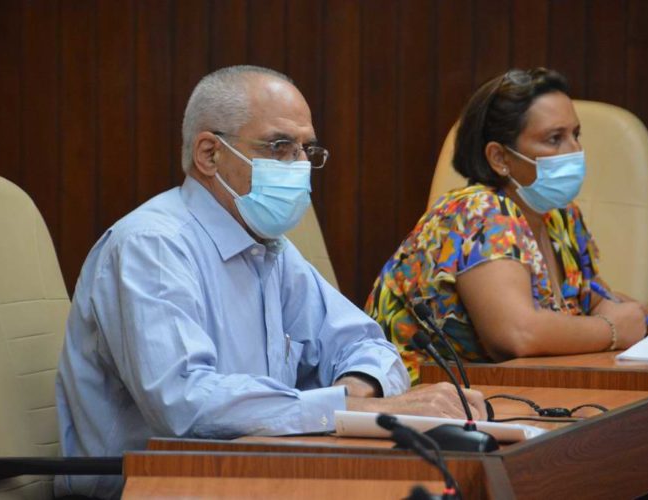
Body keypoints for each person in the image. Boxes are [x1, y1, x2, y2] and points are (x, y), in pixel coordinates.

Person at [55, 65, 485, 499]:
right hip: (152, 487)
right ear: (209, 154)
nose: (300, 166)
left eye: (306, 150)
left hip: (252, 473)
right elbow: (186, 403)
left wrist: (357, 391)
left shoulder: (270, 248)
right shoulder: (151, 246)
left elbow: (368, 346)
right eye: (280, 147)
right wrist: (344, 408)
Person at [366, 67, 648, 383]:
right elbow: (516, 335)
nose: (575, 151)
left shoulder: (558, 215)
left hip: (499, 391)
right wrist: (612, 330)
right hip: (415, 395)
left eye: (575, 135)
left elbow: (591, 298)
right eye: (554, 139)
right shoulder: (479, 213)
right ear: (499, 158)